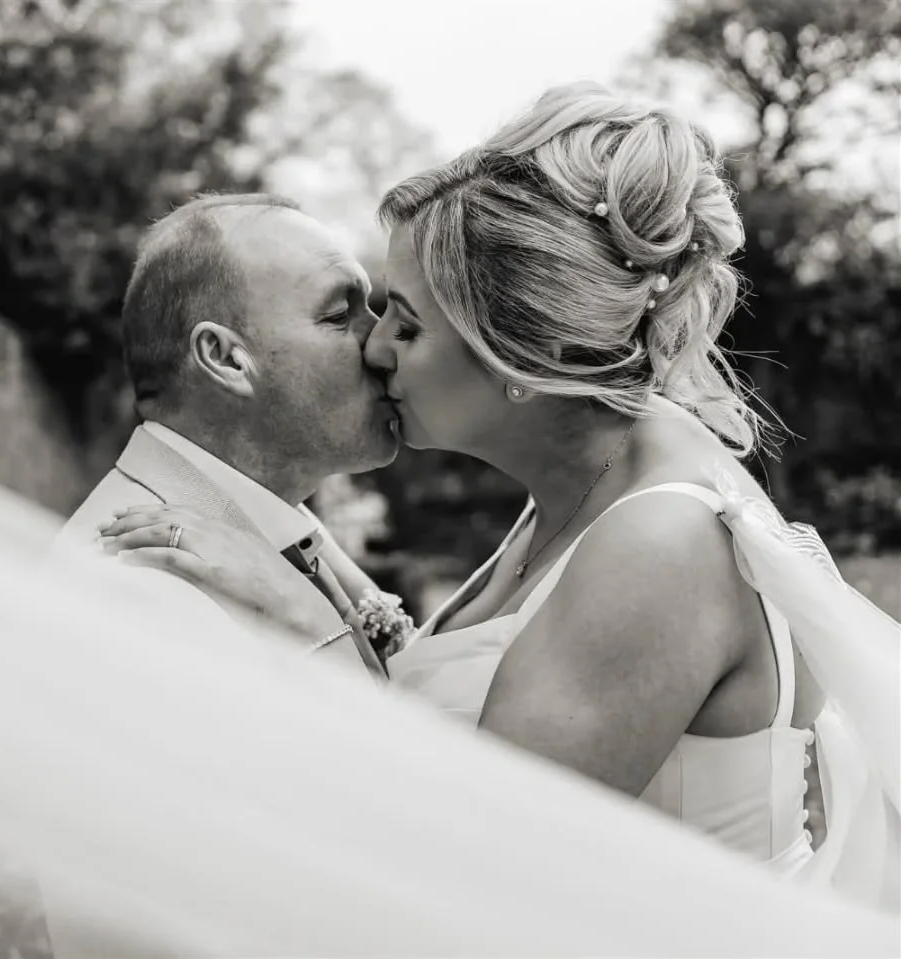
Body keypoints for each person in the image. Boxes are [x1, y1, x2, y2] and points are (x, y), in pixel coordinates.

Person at [101, 83, 898, 911]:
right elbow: (502, 705)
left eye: (406, 325)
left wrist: (310, 629)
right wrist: (347, 597)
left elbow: (473, 871)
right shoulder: (584, 482)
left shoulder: (662, 543)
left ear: (520, 356)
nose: (376, 349)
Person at [46, 192, 402, 957]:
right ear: (226, 358)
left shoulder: (274, 531)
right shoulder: (139, 587)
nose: (382, 346)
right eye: (343, 315)